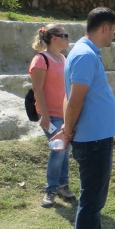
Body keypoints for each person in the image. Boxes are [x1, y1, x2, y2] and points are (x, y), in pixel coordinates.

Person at [51, 7, 115, 229]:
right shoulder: (85, 55)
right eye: (113, 29)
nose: (114, 34)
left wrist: (67, 127)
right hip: (93, 140)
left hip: (96, 137)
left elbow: (70, 96)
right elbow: (75, 99)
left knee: (95, 197)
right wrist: (68, 130)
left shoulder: (81, 53)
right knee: (91, 200)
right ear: (104, 28)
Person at [29, 24, 75, 208]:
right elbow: (37, 89)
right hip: (50, 115)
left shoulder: (63, 58)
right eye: (64, 35)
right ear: (54, 38)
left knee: (64, 150)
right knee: (58, 150)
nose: (67, 38)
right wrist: (45, 116)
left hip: (65, 113)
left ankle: (62, 185)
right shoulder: (41, 59)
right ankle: (51, 189)